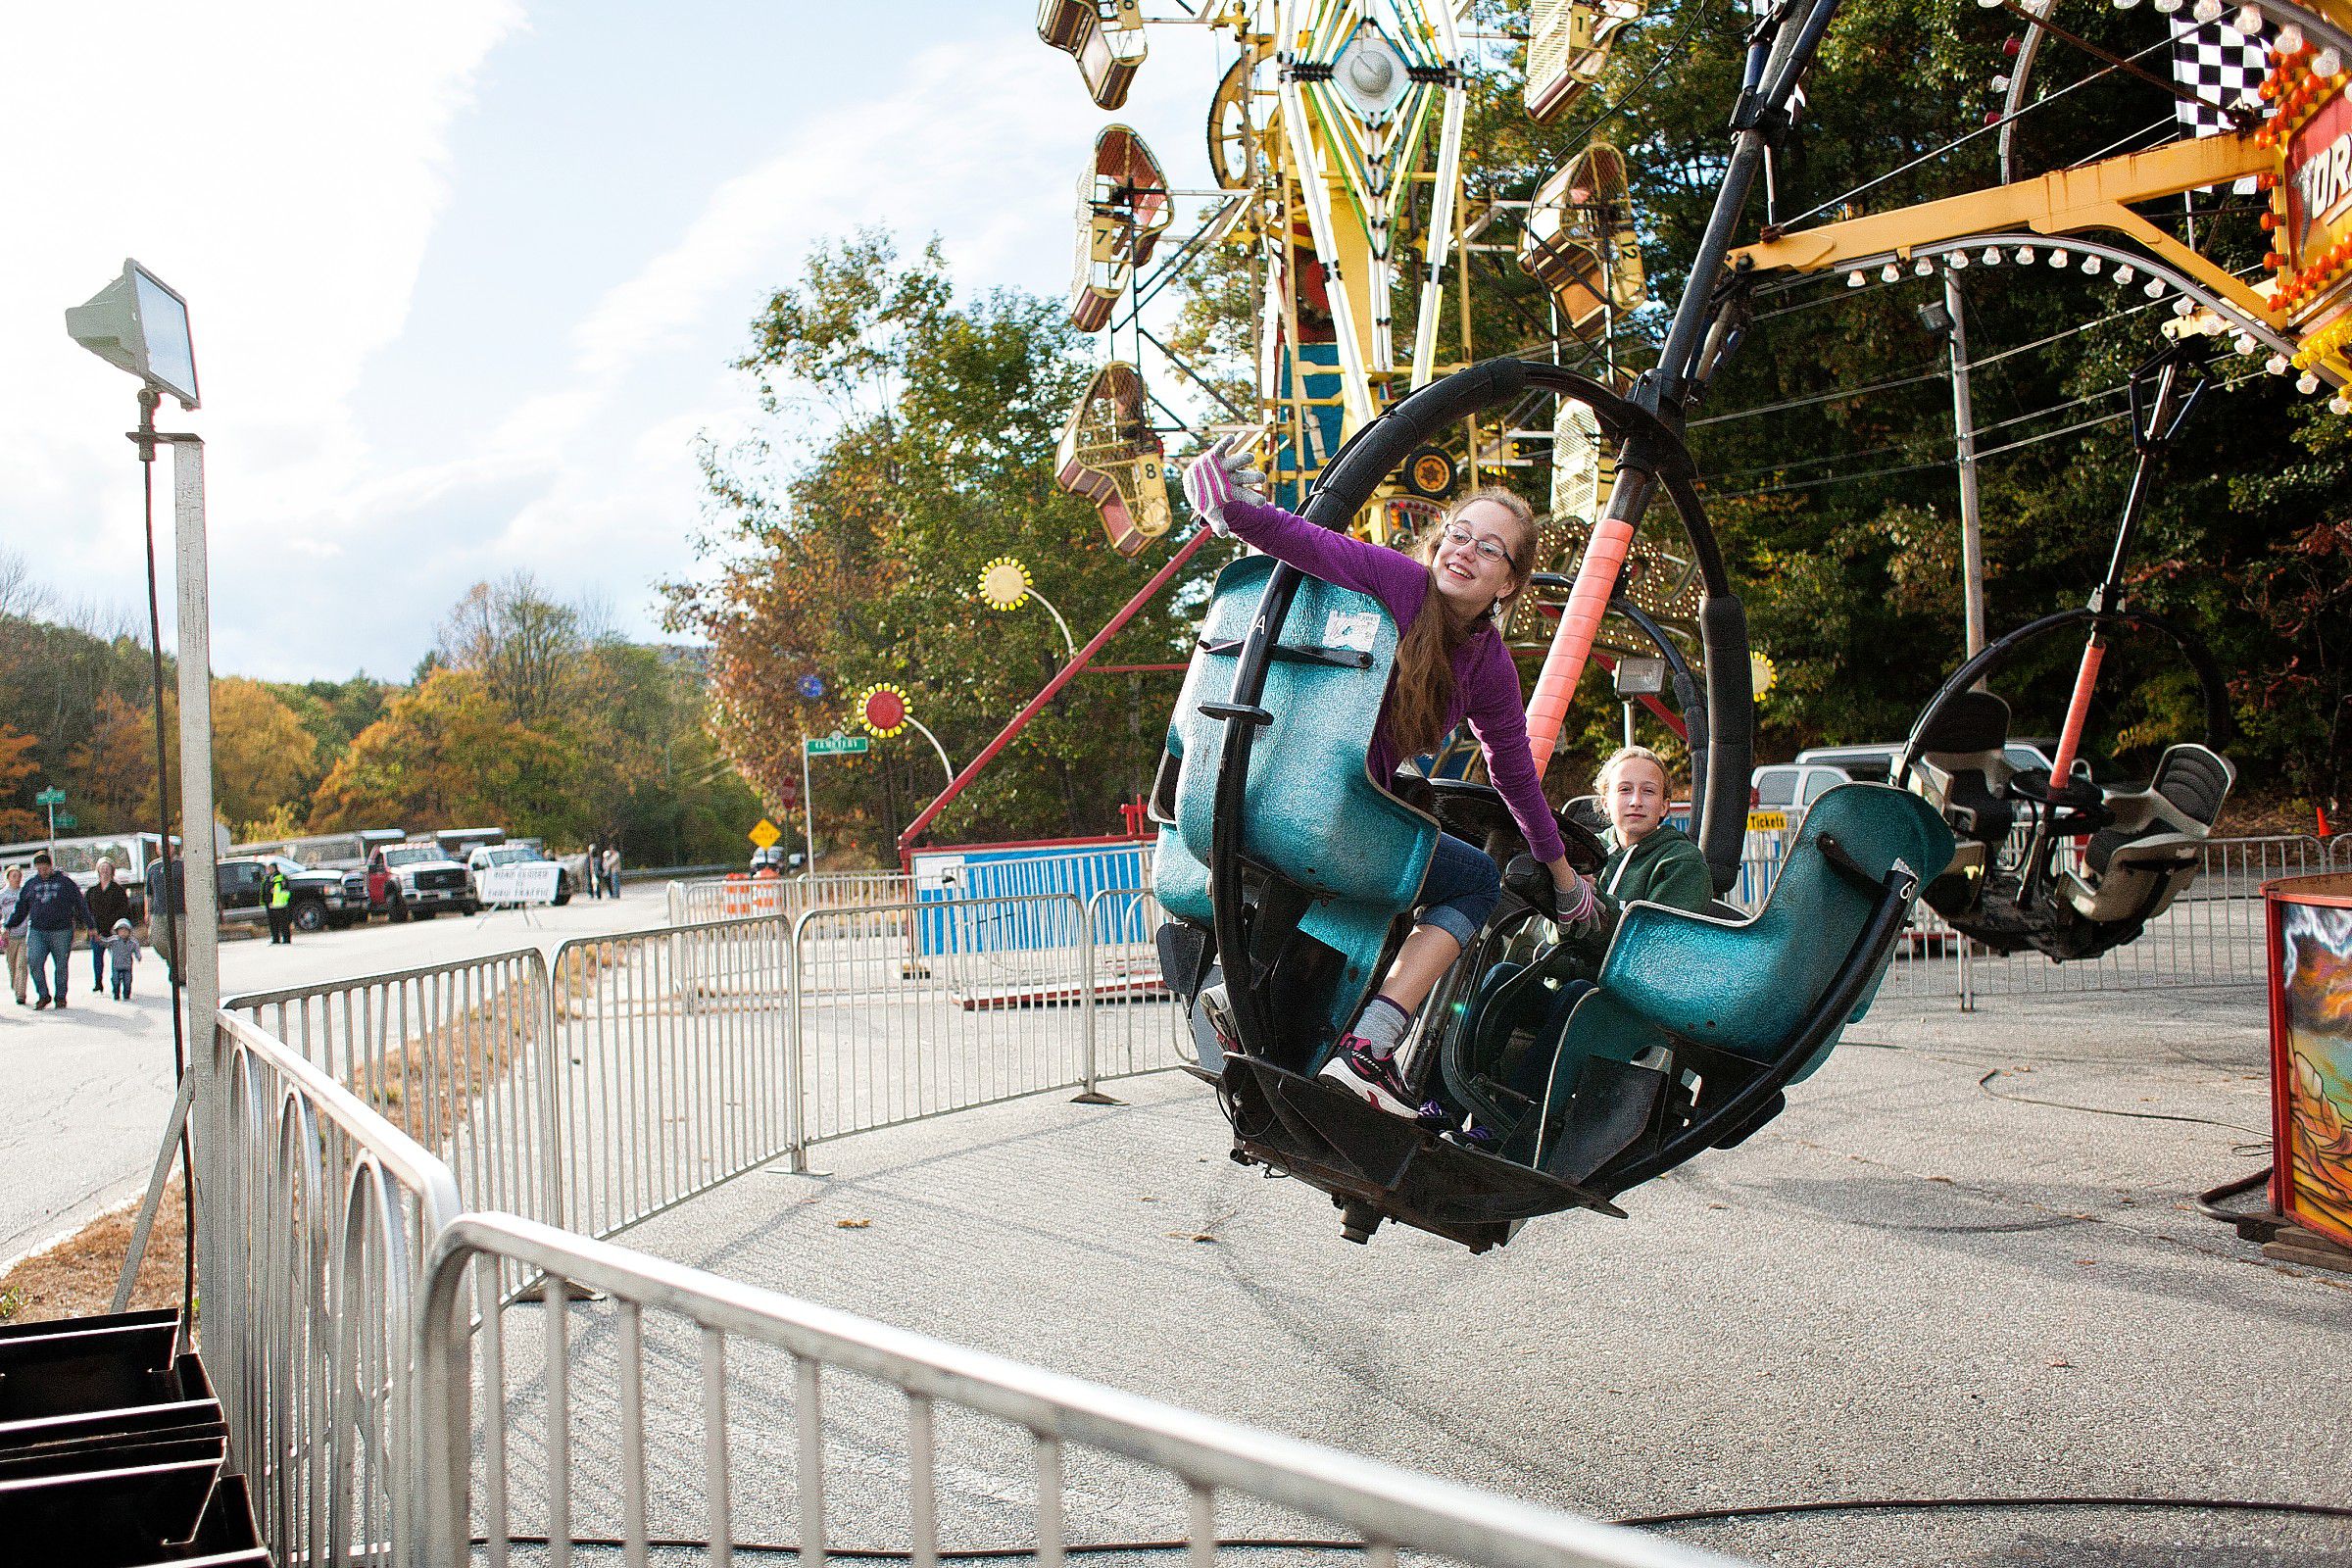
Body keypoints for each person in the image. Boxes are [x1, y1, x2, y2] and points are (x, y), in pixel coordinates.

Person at [1183, 436, 1596, 1119]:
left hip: (1272, 792)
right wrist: (1232, 510)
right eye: (1458, 535)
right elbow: (1305, 542)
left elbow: (1516, 777)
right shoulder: (1398, 581)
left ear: (1510, 581)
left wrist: (1560, 872)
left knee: (1401, 864)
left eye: (1488, 548)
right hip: (1331, 810)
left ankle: (1272, 999)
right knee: (1471, 880)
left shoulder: (1488, 668)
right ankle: (1371, 1045)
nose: (1463, 551)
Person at [1505, 746, 1716, 1099]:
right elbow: (1547, 934)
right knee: (1503, 980)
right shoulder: (1581, 854)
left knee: (1579, 999)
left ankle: (1518, 1116)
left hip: (1634, 1009)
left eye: (1648, 791)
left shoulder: (1682, 863)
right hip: (1572, 989)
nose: (1636, 800)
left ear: (1665, 805)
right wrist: (1562, 905)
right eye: (1624, 790)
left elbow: (1654, 951)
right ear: (1605, 802)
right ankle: (1441, 1105)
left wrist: (1593, 901)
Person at [5, 851, 94, 1009]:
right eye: (38, 869)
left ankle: (60, 997)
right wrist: (9, 925)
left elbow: (80, 904)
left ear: (50, 866)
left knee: (61, 965)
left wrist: (91, 925)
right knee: (34, 961)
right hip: (38, 931)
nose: (42, 872)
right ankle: (43, 994)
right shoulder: (31, 885)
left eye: (44, 868)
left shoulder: (65, 883)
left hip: (61, 930)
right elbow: (21, 909)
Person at [84, 857, 132, 994]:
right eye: (102, 868)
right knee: (97, 958)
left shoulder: (118, 890)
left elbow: (124, 910)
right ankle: (98, 983)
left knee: (117, 959)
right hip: (97, 930)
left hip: (114, 930)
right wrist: (90, 926)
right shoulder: (92, 891)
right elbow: (86, 910)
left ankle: (117, 982)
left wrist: (119, 928)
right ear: (98, 870)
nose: (105, 871)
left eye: (107, 868)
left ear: (112, 871)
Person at [1, 864, 26, 1005]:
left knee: (21, 965)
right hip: (8, 936)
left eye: (19, 876)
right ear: (8, 877)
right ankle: (16, 986)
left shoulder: (24, 893)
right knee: (11, 965)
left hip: (24, 934)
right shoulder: (2, 895)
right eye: (14, 876)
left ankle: (20, 994)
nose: (17, 879)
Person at [105, 917, 139, 1001]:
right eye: (121, 931)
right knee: (115, 980)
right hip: (116, 965)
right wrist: (98, 939)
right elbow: (105, 942)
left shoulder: (132, 942)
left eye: (125, 931)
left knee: (127, 981)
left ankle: (126, 994)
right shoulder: (113, 940)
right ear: (117, 931)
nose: (123, 933)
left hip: (127, 966)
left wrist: (138, 956)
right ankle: (116, 994)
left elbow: (136, 950)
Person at [264, 861, 294, 945]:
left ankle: (286, 939)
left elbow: (285, 892)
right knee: (273, 923)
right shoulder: (268, 878)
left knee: (283, 923)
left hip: (280, 905)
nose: (268, 870)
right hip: (272, 905)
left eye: (269, 868)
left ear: (273, 868)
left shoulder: (281, 878)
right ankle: (275, 939)